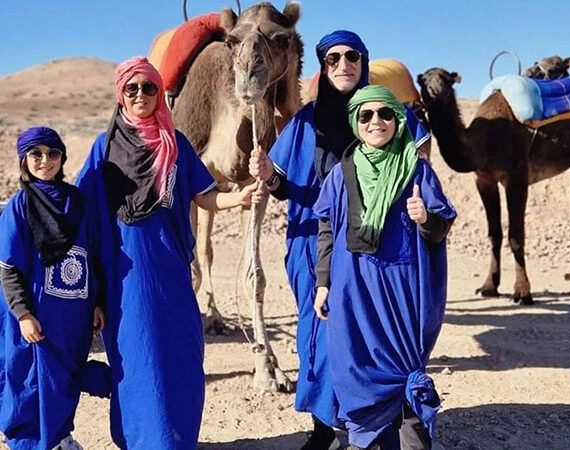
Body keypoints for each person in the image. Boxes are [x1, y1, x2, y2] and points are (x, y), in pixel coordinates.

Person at [249, 31, 430, 450]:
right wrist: (267, 174)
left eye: (352, 56)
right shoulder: (305, 122)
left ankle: (377, 422)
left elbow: (419, 167)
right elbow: (284, 185)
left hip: (379, 248)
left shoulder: (385, 112)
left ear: (363, 61)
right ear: (324, 67)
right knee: (320, 334)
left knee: (377, 333)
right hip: (315, 243)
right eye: (333, 58)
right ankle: (324, 426)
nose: (343, 64)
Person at [76, 56, 257, 449]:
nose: (141, 95)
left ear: (160, 92)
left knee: (181, 353)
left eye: (149, 87)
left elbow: (204, 196)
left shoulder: (175, 143)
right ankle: (143, 439)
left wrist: (240, 196)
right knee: (138, 356)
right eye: (132, 89)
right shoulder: (103, 148)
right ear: (120, 95)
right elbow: (82, 213)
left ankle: (177, 439)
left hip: (171, 268)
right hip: (124, 273)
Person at [312, 85, 456, 450]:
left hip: (401, 291)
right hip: (352, 289)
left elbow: (440, 230)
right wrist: (323, 283)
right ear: (356, 122)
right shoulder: (340, 175)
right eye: (366, 115)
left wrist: (426, 219)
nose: (376, 121)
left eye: (385, 114)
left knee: (405, 368)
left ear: (397, 119)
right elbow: (327, 231)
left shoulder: (417, 170)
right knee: (356, 366)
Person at [0, 127, 107, 450]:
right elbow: (8, 265)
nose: (45, 160)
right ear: (24, 160)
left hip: (73, 312)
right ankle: (28, 442)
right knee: (30, 377)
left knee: (65, 375)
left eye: (53, 153)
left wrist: (98, 302)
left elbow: (93, 255)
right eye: (36, 154)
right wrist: (22, 313)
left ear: (62, 158)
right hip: (36, 313)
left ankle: (60, 437)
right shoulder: (19, 206)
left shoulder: (78, 203)